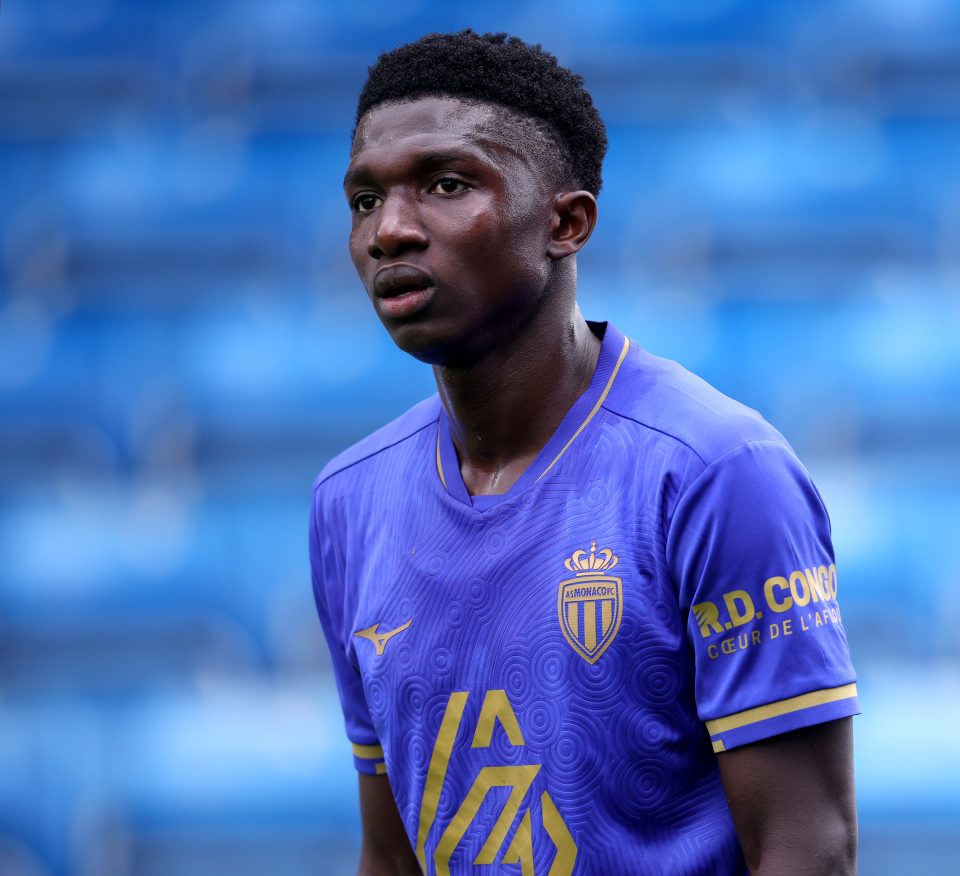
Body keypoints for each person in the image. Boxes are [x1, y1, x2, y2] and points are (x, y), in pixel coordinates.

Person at [310, 30, 859, 876]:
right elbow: (391, 854)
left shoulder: (715, 472)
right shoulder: (349, 501)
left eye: (447, 185)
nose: (390, 231)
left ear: (565, 223)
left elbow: (806, 849)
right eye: (363, 200)